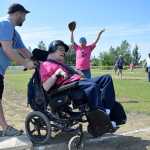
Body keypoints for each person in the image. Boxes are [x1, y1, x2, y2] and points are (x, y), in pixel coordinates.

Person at [39, 40, 126, 131]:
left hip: (78, 81)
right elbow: (45, 87)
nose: (63, 52)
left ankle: (106, 111)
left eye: (64, 50)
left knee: (106, 78)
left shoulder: (61, 64)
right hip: (69, 87)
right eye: (61, 49)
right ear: (52, 50)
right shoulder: (46, 65)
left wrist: (77, 72)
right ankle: (101, 119)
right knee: (92, 86)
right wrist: (56, 74)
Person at [0, 3, 34, 136]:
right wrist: (25, 63)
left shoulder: (14, 32)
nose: (25, 19)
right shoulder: (5, 24)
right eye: (24, 15)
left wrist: (41, 63)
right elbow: (8, 49)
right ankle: (5, 128)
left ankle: (4, 127)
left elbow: (24, 50)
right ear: (18, 13)